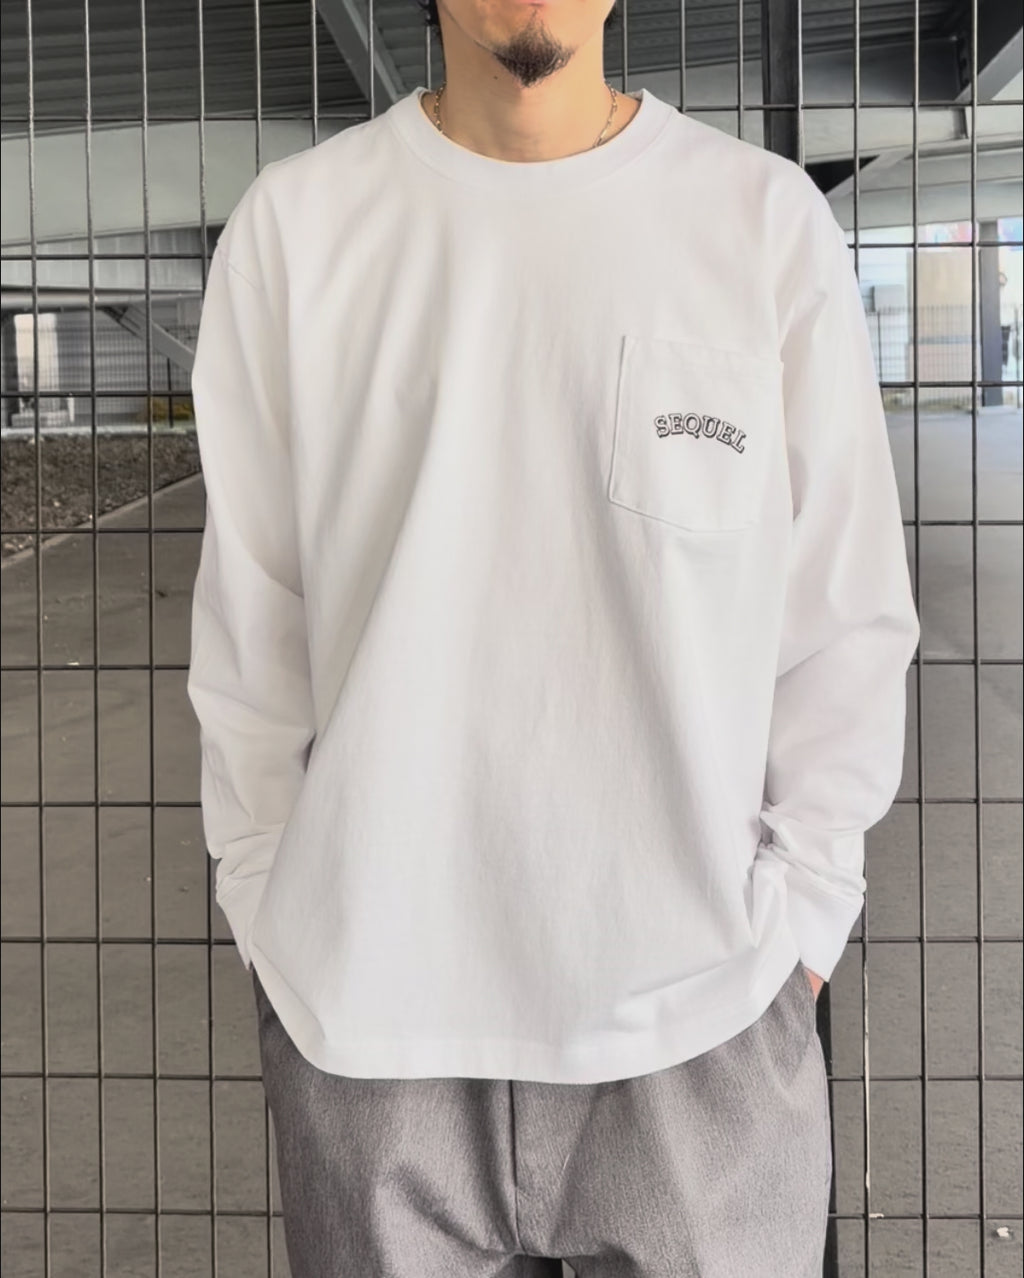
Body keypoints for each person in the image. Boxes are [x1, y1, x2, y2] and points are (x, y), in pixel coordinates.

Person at [185, 0, 920, 1269]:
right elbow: (254, 632)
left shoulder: (760, 223)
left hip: (702, 1016)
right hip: (367, 1020)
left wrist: (802, 922)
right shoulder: (295, 231)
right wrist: (270, 912)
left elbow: (844, 612)